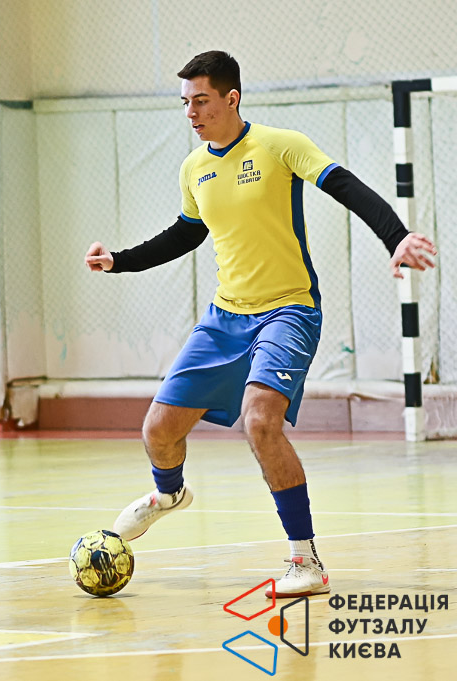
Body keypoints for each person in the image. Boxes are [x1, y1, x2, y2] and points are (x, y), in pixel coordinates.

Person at [84, 51, 437, 598]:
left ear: (232, 98)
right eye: (185, 102)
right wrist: (120, 260)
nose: (191, 113)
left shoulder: (279, 146)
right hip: (225, 317)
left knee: (261, 422)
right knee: (158, 431)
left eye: (202, 101)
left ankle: (306, 561)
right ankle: (170, 494)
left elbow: (345, 185)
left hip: (289, 310)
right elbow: (187, 233)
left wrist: (396, 237)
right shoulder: (194, 168)